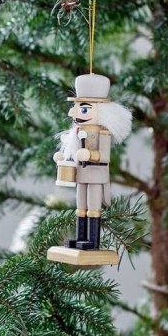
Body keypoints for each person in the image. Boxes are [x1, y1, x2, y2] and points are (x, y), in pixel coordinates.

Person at [52, 73, 132, 252]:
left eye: (84, 108)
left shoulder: (103, 134)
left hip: (96, 175)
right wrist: (63, 156)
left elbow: (104, 156)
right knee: (81, 206)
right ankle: (81, 237)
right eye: (76, 106)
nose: (73, 112)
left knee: (93, 207)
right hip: (81, 175)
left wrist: (89, 154)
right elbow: (72, 151)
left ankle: (92, 241)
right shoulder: (76, 132)